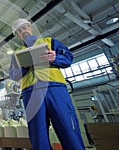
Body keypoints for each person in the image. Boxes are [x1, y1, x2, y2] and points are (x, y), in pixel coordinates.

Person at [9, 18, 85, 150]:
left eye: (24, 27)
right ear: (17, 35)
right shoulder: (17, 54)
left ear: (30, 27)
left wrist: (55, 58)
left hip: (55, 88)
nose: (23, 31)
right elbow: (13, 75)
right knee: (38, 132)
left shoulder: (49, 42)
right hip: (31, 92)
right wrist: (25, 66)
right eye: (19, 30)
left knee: (67, 126)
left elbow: (68, 58)